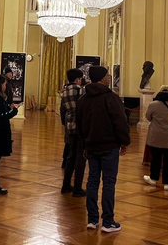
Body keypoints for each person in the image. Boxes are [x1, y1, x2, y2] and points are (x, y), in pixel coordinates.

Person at [76, 65, 130, 233]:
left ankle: (92, 219)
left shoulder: (83, 100)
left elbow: (79, 125)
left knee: (92, 181)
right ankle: (108, 221)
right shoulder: (110, 97)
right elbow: (120, 121)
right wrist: (124, 142)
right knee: (108, 182)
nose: (109, 78)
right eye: (107, 75)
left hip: (91, 146)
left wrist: (84, 143)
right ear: (101, 78)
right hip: (109, 146)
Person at [60, 68, 86, 197]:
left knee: (71, 156)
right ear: (78, 79)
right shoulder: (80, 91)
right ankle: (77, 187)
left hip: (70, 126)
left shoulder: (64, 93)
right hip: (80, 127)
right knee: (80, 158)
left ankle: (66, 184)